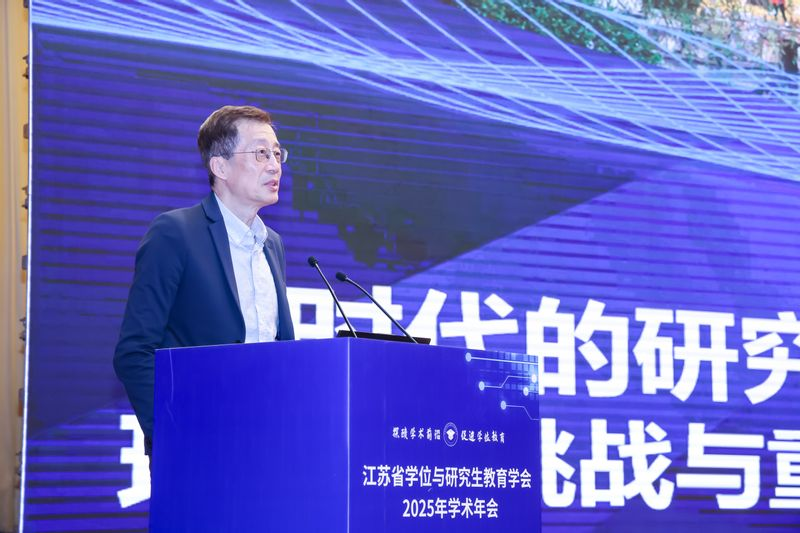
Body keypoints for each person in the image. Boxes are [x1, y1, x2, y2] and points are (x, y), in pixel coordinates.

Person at [114, 105, 295, 456]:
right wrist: (174, 433)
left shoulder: (272, 244)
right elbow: (134, 352)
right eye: (261, 153)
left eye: (277, 153)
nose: (275, 165)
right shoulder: (176, 234)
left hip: (266, 443)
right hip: (195, 446)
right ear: (220, 167)